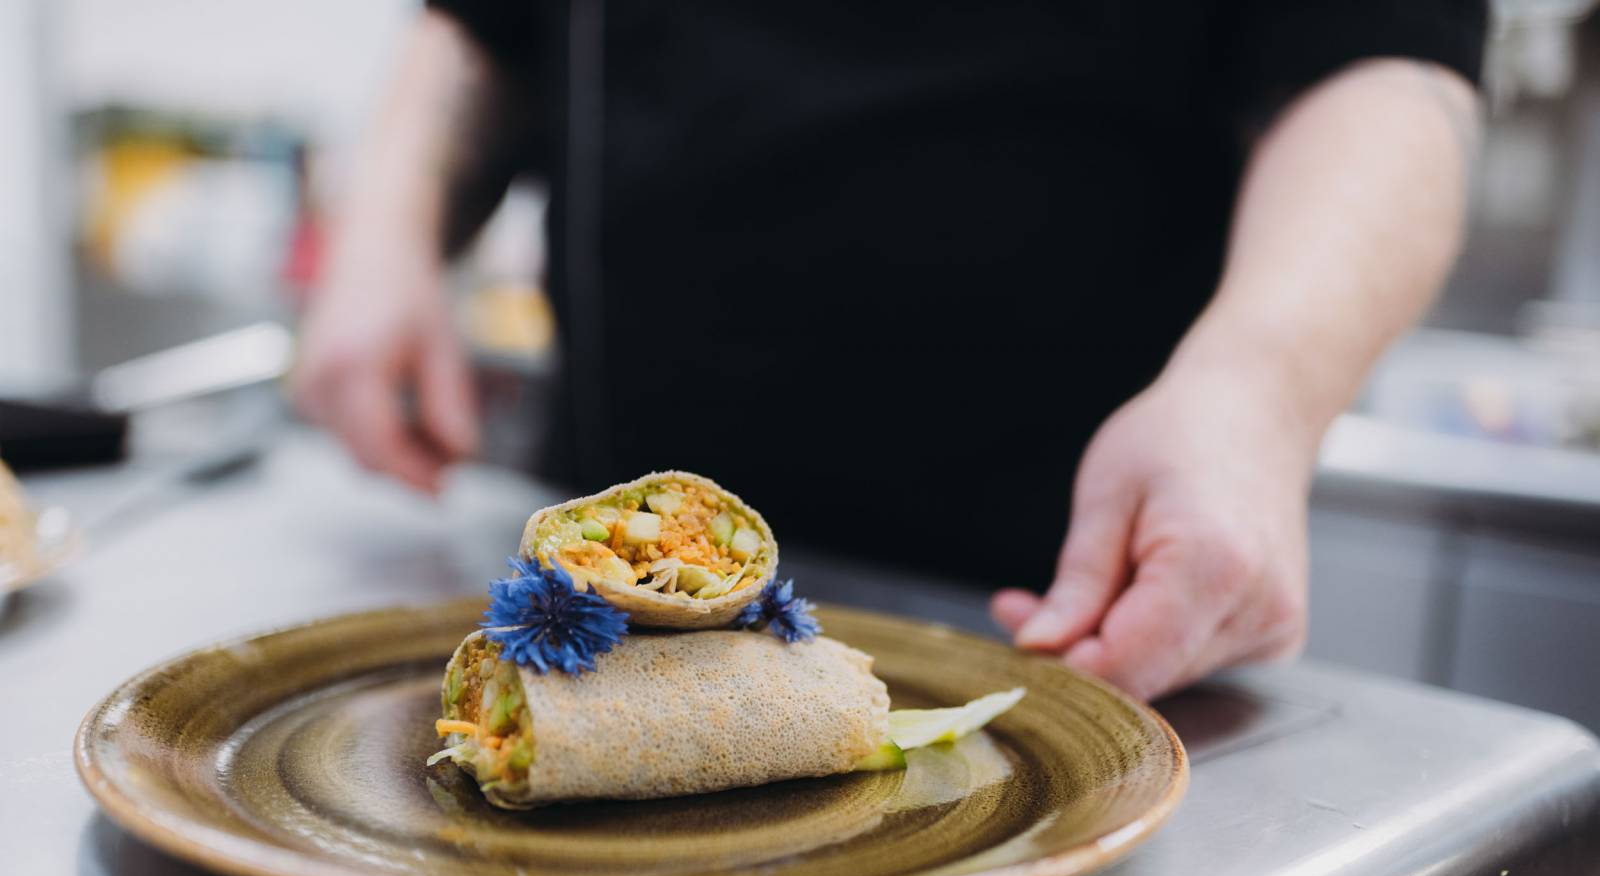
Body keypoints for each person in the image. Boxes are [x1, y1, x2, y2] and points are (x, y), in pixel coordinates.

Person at [293, 2, 1485, 701]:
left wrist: (1257, 392)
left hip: (1062, 601)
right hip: (594, 594)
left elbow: (1384, 63)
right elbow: (484, 24)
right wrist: (384, 233)